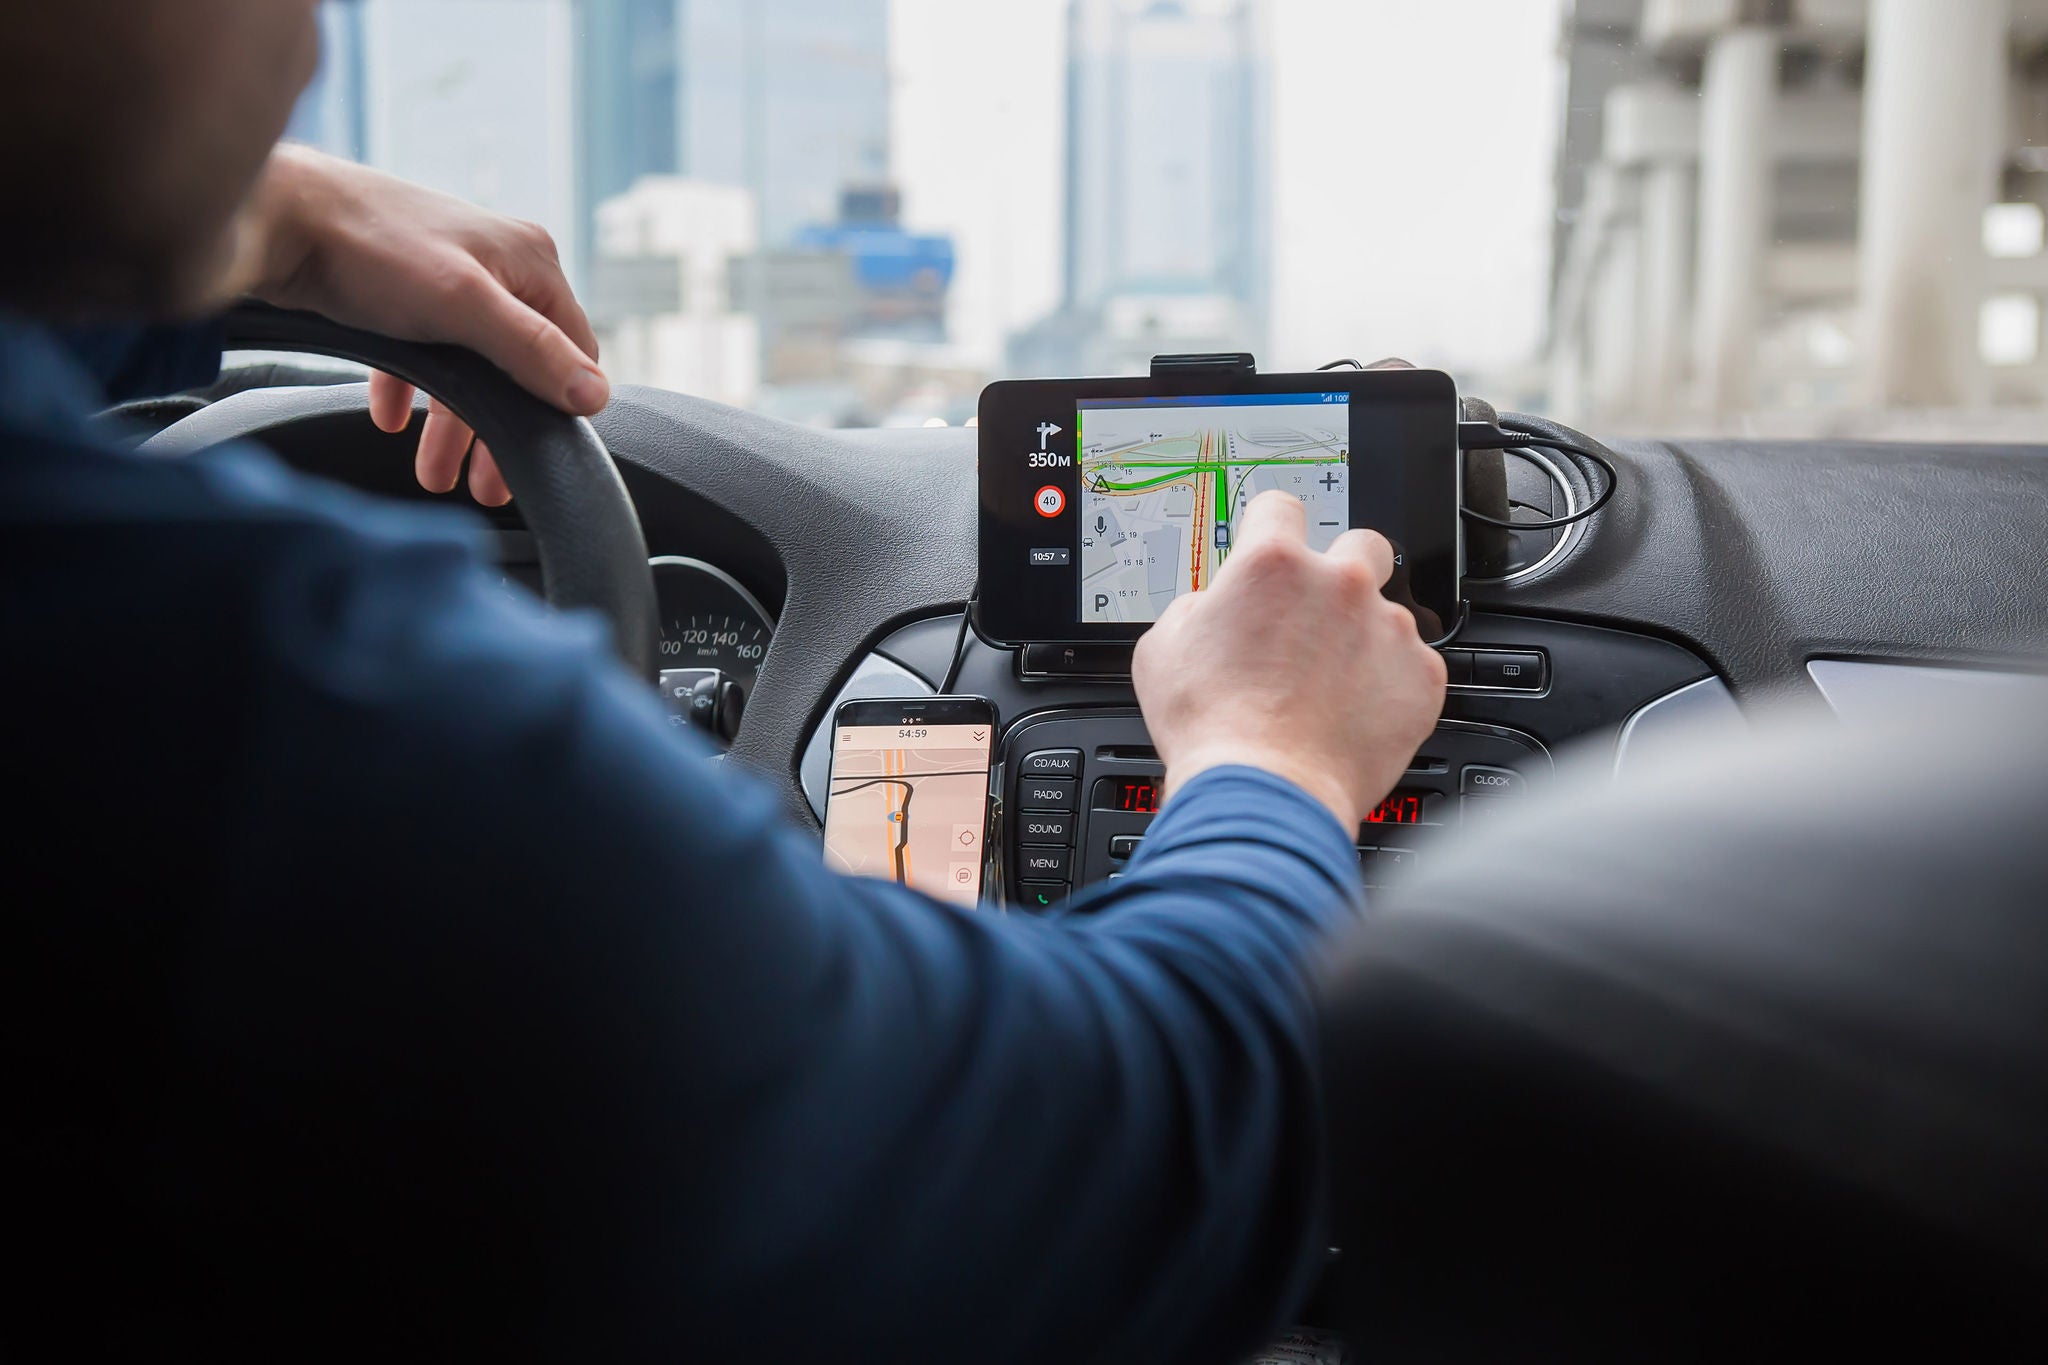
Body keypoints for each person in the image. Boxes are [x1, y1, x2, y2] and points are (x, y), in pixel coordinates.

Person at [1, 3, 1446, 1360]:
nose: (312, 36)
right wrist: (1274, 755)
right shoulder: (312, 731)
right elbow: (1157, 1159)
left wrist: (272, 217)